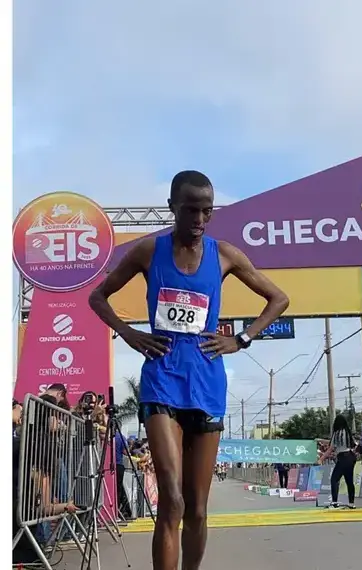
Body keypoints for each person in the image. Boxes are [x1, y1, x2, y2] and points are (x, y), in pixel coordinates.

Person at [88, 170, 290, 570]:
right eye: (191, 210)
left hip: (207, 378)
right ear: (172, 208)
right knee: (172, 499)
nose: (199, 219)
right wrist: (129, 333)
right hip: (162, 375)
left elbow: (278, 298)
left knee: (197, 507)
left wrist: (242, 339)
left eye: (207, 211)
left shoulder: (226, 255)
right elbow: (98, 297)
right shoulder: (148, 251)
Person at [323, 414, 357, 509]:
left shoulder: (336, 433)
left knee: (334, 479)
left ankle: (335, 502)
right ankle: (351, 503)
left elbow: (331, 448)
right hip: (350, 456)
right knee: (349, 481)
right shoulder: (348, 432)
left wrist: (321, 458)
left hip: (342, 458)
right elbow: (353, 444)